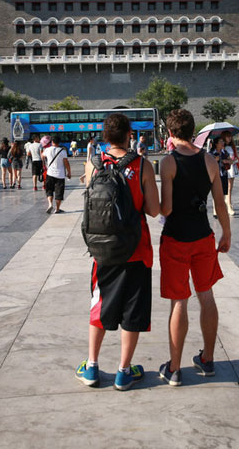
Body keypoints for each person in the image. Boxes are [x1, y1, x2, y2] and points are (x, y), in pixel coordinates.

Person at [76, 113, 159, 390]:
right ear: (129, 135)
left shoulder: (93, 164)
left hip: (103, 250)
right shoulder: (142, 164)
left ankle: (91, 366)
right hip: (136, 249)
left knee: (99, 306)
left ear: (104, 135)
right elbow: (154, 210)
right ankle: (124, 371)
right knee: (132, 311)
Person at [157, 109, 231, 386]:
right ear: (192, 132)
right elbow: (219, 203)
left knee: (180, 301)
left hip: (176, 238)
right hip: (203, 237)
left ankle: (174, 368)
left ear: (170, 133)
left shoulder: (168, 163)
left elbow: (166, 208)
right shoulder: (209, 160)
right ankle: (208, 359)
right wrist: (226, 233)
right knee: (207, 295)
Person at [42, 138, 71, 213]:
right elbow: (66, 162)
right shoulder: (63, 151)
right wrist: (69, 172)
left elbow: (42, 156)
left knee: (49, 190)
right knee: (59, 192)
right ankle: (57, 209)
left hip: (50, 173)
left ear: (52, 142)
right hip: (60, 175)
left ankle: (50, 204)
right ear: (59, 143)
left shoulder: (47, 150)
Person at [209, 137, 230, 219]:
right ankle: (215, 211)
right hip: (215, 175)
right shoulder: (211, 153)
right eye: (221, 141)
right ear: (216, 143)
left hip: (223, 174)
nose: (223, 143)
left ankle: (221, 208)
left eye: (223, 141)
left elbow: (231, 161)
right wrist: (215, 160)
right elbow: (208, 163)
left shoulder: (225, 152)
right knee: (215, 193)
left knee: (223, 193)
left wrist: (227, 161)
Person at [221, 131, 239, 215]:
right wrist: (228, 160)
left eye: (230, 136)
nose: (229, 138)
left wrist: (234, 159)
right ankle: (228, 205)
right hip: (225, 168)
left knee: (230, 187)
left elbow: (235, 156)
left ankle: (228, 202)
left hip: (232, 167)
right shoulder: (222, 147)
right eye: (228, 136)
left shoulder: (232, 146)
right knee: (226, 187)